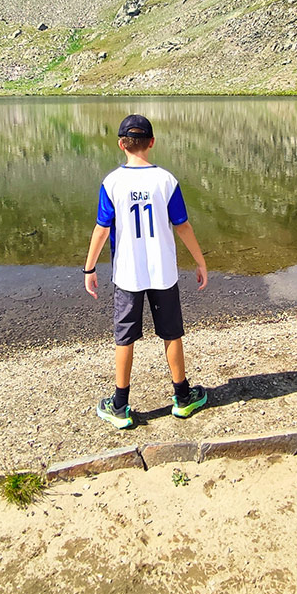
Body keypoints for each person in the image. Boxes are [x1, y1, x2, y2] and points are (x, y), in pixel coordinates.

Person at [83, 113, 208, 429]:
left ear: (121, 144)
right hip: (163, 272)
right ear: (152, 142)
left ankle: (120, 404)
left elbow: (101, 229)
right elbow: (182, 225)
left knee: (124, 337)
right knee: (171, 332)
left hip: (128, 274)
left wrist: (89, 268)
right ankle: (182, 397)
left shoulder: (112, 182)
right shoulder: (165, 180)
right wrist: (200, 260)